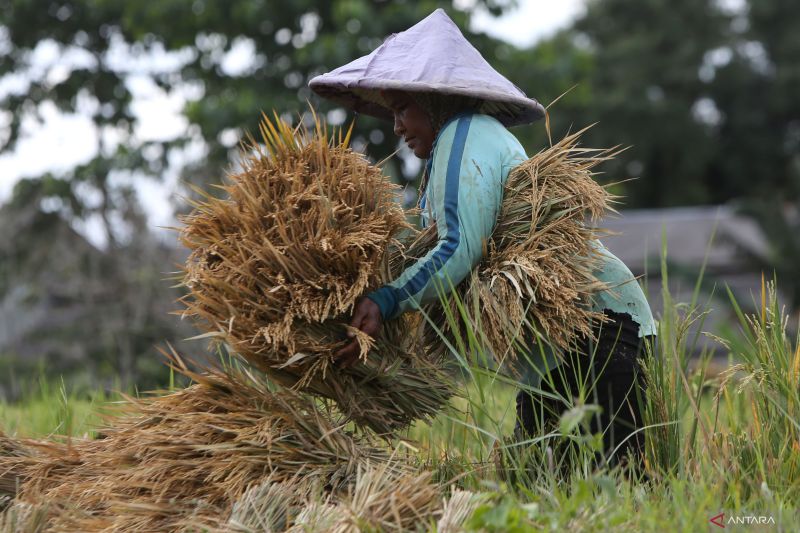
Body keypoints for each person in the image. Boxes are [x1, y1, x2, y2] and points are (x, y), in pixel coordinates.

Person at [309, 9, 656, 467]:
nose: (396, 127)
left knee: (610, 486)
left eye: (401, 109)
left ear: (434, 100)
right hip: (568, 347)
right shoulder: (454, 152)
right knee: (542, 482)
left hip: (601, 328)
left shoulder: (464, 133)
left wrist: (386, 301)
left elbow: (458, 247)